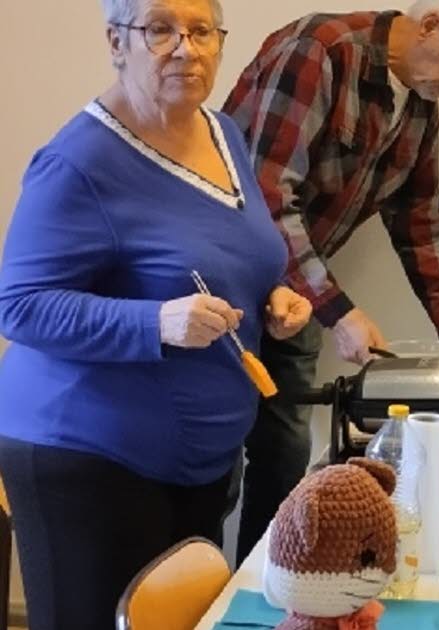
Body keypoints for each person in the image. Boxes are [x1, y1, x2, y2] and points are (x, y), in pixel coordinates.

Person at [0, 1, 312, 627]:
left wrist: (273, 294)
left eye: (201, 31)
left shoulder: (222, 133)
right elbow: (21, 306)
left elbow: (228, 249)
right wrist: (155, 322)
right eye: (160, 30)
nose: (186, 49)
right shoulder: (76, 163)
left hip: (196, 464)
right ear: (117, 41)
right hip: (89, 458)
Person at [222, 0, 439, 563]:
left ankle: (278, 588)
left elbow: (422, 220)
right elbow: (265, 198)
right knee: (216, 464)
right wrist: (339, 311)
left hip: (299, 298)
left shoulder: (420, 103)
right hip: (224, 291)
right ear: (428, 25)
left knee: (285, 454)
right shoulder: (322, 51)